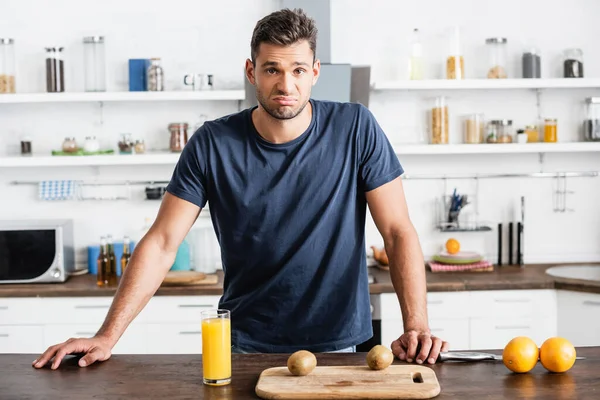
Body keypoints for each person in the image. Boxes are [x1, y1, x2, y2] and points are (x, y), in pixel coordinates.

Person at [33, 8, 448, 370]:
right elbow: (162, 244)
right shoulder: (212, 143)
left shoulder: (356, 128)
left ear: (315, 72)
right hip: (244, 347)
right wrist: (107, 336)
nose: (286, 84)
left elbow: (397, 232)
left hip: (340, 345)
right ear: (251, 72)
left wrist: (416, 325)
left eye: (298, 70)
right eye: (272, 69)